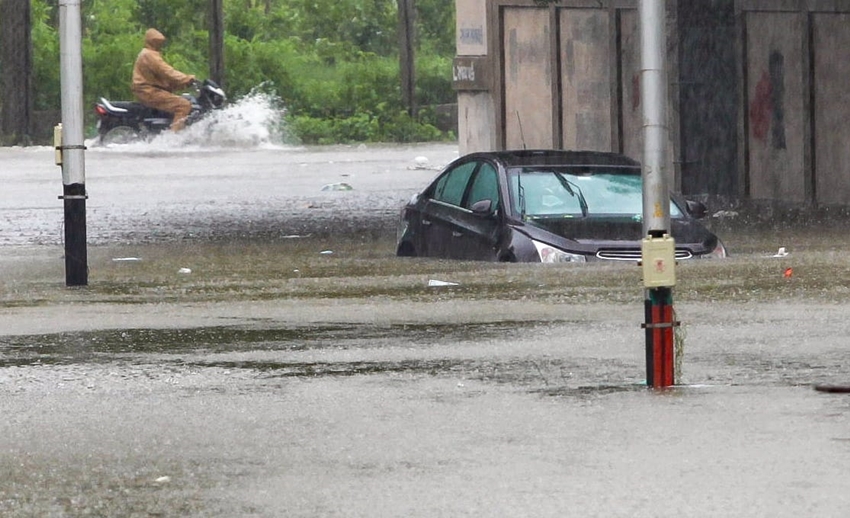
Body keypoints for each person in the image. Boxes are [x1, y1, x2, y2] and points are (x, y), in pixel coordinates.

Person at [131, 28, 196, 131]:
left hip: (148, 90)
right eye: (158, 42)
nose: (160, 45)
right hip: (149, 91)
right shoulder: (149, 55)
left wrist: (182, 84)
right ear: (153, 41)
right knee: (183, 105)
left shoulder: (148, 54)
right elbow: (166, 71)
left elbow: (162, 78)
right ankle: (174, 137)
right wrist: (186, 78)